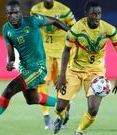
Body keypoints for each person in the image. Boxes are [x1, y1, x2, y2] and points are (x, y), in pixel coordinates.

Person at [0, 0, 69, 135]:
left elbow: (55, 21)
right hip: (24, 67)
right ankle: (62, 104)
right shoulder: (6, 30)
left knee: (8, 90)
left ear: (20, 12)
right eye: (10, 13)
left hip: (37, 68)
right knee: (31, 99)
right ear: (6, 14)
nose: (13, 16)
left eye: (16, 12)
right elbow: (11, 55)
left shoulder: (33, 21)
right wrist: (10, 63)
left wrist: (71, 33)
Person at [52, 1, 117, 135]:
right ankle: (61, 117)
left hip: (95, 73)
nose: (97, 17)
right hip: (74, 70)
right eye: (93, 14)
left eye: (99, 14)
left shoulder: (109, 29)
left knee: (93, 108)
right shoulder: (77, 28)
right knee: (60, 106)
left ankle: (79, 131)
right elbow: (66, 51)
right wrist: (62, 75)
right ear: (86, 14)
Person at [30, 0, 76, 129]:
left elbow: (74, 29)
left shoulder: (64, 10)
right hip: (44, 53)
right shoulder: (35, 9)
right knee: (42, 83)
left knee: (62, 86)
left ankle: (62, 116)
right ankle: (46, 117)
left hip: (62, 53)